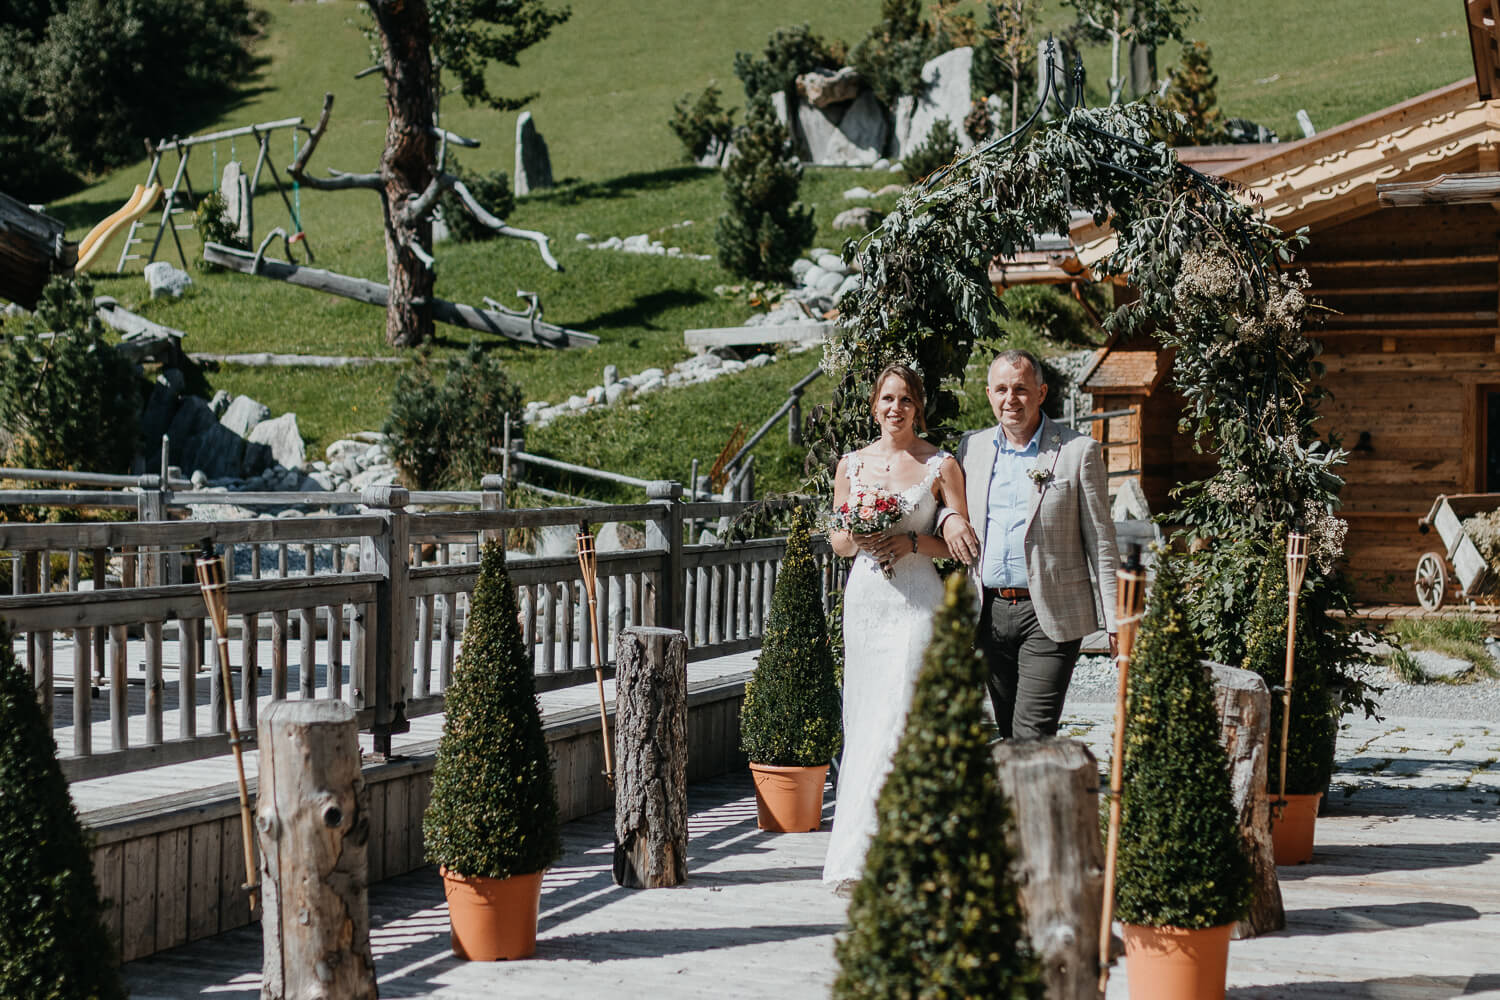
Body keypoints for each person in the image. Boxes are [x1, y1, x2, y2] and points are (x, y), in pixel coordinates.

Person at [822, 363, 969, 889]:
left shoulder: (941, 464)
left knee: (906, 713)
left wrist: (910, 542)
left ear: (918, 406)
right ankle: (861, 855)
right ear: (873, 404)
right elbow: (837, 542)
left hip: (916, 600)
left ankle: (914, 850)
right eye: (887, 398)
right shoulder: (851, 464)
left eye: (905, 399)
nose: (895, 408)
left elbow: (961, 543)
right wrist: (860, 532)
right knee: (865, 718)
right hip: (866, 600)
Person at [941, 349, 1118, 741]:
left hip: (1050, 614)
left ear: (1041, 392)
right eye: (1002, 389)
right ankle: (1028, 801)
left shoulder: (1076, 452)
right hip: (988, 611)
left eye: (1020, 389)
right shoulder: (972, 450)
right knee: (1008, 731)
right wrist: (948, 519)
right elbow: (943, 504)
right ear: (989, 394)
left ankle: (1024, 801)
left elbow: (1102, 543)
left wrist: (1116, 620)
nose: (1011, 399)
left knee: (1030, 733)